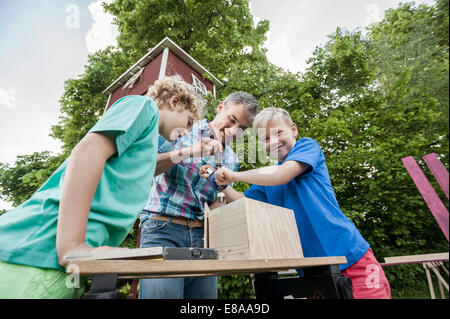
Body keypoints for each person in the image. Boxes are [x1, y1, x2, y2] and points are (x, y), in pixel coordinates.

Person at [0, 75, 205, 299]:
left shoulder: (146, 146)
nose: (188, 131)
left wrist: (192, 151)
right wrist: (72, 246)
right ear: (175, 102)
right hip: (38, 249)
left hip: (66, 264)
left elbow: (151, 165)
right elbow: (88, 151)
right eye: (188, 122)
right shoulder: (144, 107)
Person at [200, 107, 391, 299]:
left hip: (351, 257)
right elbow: (244, 202)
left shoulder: (307, 147)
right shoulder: (267, 181)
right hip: (313, 272)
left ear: (294, 129)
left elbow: (283, 174)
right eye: (265, 139)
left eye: (278, 132)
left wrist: (232, 175)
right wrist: (220, 183)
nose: (273, 141)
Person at [138, 91, 259, 299]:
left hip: (202, 239)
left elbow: (214, 203)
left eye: (242, 128)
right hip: (163, 229)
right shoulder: (183, 126)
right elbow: (146, 166)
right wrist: (191, 151)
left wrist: (220, 190)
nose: (233, 131)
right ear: (220, 107)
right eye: (232, 120)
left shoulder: (230, 158)